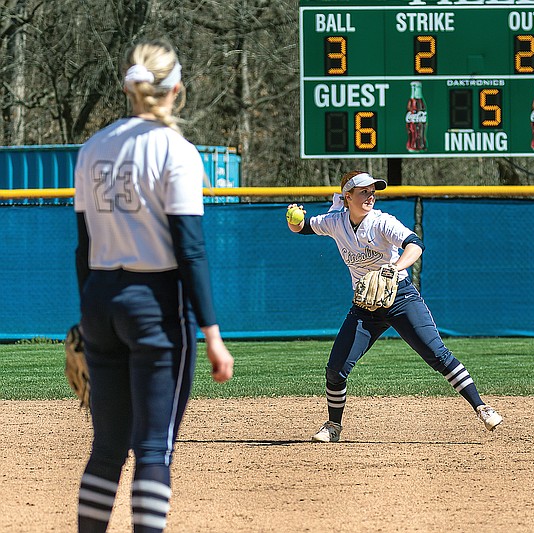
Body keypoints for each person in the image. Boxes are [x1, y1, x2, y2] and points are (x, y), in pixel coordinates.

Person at [73, 39, 234, 533]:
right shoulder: (176, 151)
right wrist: (211, 333)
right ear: (176, 90)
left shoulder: (93, 147)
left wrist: (84, 321)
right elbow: (190, 249)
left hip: (100, 300)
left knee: (106, 449)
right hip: (153, 304)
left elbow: (82, 248)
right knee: (152, 447)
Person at [286, 170, 502, 442]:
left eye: (372, 190)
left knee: (437, 354)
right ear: (347, 197)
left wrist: (394, 267)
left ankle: (482, 408)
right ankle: (333, 426)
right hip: (365, 306)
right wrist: (293, 218)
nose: (370, 195)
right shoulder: (334, 221)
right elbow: (302, 227)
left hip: (400, 297)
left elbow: (415, 244)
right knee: (335, 369)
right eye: (363, 191)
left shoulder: (381, 222)